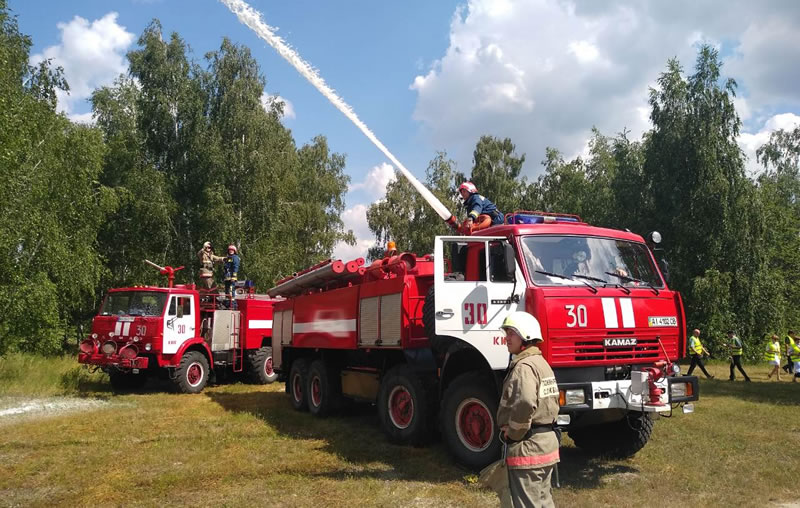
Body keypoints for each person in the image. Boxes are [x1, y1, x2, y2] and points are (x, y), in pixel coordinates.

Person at [497, 311, 560, 508]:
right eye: (506, 333)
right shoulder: (541, 363)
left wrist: (514, 433)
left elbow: (524, 402)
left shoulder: (524, 367)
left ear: (525, 336)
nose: (506, 338)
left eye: (511, 333)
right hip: (547, 445)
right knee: (544, 502)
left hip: (528, 449)